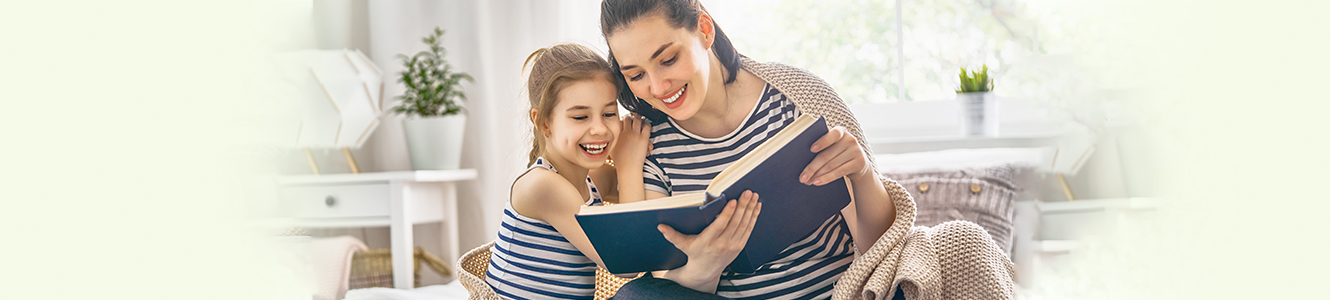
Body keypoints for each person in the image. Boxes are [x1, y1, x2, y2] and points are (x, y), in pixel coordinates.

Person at [599, 0, 912, 298]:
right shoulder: (651, 145)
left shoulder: (797, 99)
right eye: (636, 75)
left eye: (668, 60)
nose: (657, 87)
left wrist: (862, 175)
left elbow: (881, 252)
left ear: (705, 31)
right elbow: (661, 286)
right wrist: (703, 270)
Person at [484, 43, 763, 300]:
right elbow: (629, 262)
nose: (599, 129)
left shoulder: (590, 179)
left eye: (608, 114)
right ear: (544, 123)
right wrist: (628, 163)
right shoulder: (542, 186)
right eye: (580, 117)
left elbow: (650, 197)